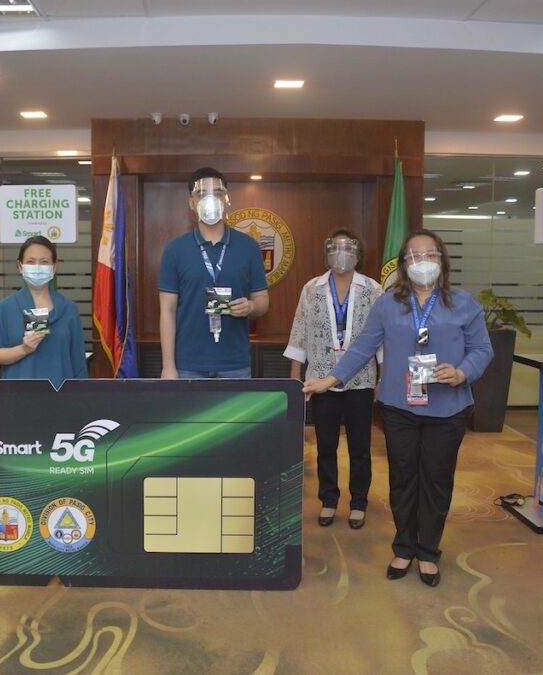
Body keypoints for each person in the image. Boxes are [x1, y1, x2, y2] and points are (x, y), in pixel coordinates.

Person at [304, 229, 492, 587]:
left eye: (430, 255)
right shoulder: (388, 304)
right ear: (404, 265)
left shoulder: (463, 303)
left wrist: (463, 372)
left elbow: (482, 349)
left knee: (436, 481)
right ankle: (404, 546)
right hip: (399, 407)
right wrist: (330, 380)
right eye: (414, 256)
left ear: (442, 259)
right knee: (403, 479)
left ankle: (429, 550)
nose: (423, 262)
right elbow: (362, 348)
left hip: (448, 409)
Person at [285, 229, 383, 529]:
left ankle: (358, 502)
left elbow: (381, 336)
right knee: (325, 444)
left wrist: (384, 377)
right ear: (327, 252)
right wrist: (295, 378)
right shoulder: (312, 288)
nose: (341, 254)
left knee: (359, 446)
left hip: (361, 379)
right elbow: (300, 330)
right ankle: (328, 499)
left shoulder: (373, 289)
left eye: (348, 248)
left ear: (358, 252)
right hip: (320, 378)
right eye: (335, 248)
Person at [158, 167, 269, 378]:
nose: (210, 199)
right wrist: (168, 365)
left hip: (235, 364)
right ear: (192, 203)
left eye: (217, 193)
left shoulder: (249, 247)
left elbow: (263, 300)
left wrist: (251, 306)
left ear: (227, 200)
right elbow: (167, 311)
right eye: (201, 194)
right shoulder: (175, 250)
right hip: (187, 365)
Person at [0, 236, 88, 384]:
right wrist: (23, 349)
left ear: (54, 267)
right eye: (30, 262)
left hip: (61, 396)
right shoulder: (6, 307)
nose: (37, 267)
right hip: (19, 396)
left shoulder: (68, 309)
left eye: (44, 261)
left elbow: (78, 362)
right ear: (20, 267)